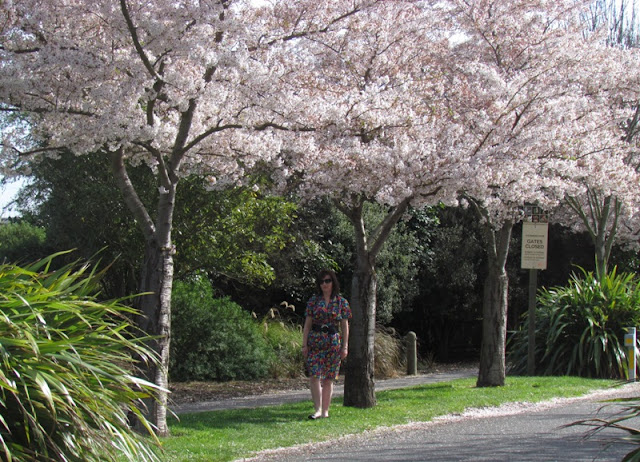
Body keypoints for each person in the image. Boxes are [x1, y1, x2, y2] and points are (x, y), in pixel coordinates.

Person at [302, 269, 351, 419]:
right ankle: (317, 409)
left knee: (329, 378)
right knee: (314, 375)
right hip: (315, 341)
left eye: (327, 281)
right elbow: (307, 325)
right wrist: (304, 345)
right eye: (322, 281)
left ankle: (325, 411)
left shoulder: (341, 302)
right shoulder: (313, 301)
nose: (324, 284)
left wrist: (345, 346)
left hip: (333, 342)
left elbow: (344, 326)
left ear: (333, 282)